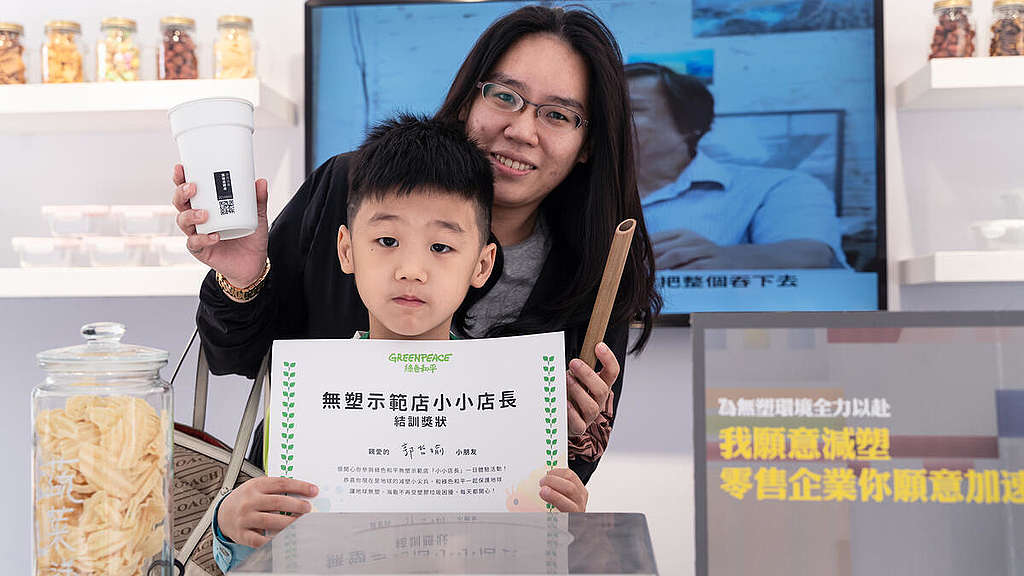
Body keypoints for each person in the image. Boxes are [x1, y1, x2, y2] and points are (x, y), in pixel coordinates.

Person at [172, 2, 659, 557]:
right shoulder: (352, 187)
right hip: (299, 532)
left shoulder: (598, 269)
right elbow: (236, 356)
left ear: (587, 143)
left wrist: (571, 438)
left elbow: (547, 491)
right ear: (470, 96)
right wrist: (243, 277)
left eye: (558, 115)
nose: (521, 129)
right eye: (505, 96)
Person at [209, 115, 591, 572]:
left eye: (441, 247)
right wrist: (229, 524)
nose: (411, 268)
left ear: (483, 264)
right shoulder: (305, 400)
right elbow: (261, 559)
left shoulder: (516, 412)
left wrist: (562, 528)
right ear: (346, 250)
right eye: (387, 240)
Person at [625, 62, 847, 270]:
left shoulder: (776, 187)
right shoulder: (593, 191)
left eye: (632, 108)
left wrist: (726, 259)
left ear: (689, 124)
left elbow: (812, 256)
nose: (610, 120)